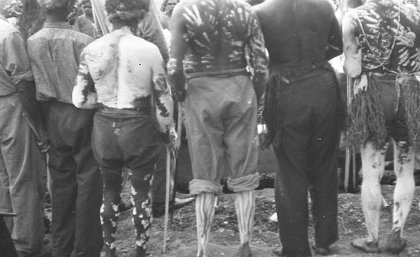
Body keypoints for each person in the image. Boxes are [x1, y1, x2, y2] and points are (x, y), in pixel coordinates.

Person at [72, 0, 175, 256]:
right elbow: (164, 101)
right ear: (140, 17)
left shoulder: (92, 49)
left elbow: (80, 99)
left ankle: (109, 249)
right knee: (141, 193)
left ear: (109, 17)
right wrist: (167, 132)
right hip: (139, 128)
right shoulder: (149, 50)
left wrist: (106, 104)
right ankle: (141, 250)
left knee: (110, 192)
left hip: (105, 129)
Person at [169, 0, 268, 256]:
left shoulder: (184, 9)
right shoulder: (245, 10)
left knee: (204, 169)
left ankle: (202, 247)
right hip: (239, 86)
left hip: (200, 89)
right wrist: (252, 95)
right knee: (244, 168)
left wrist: (180, 95)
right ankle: (245, 243)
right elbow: (261, 64)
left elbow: (174, 66)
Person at [254, 0, 343, 256]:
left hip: (286, 90)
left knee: (291, 172)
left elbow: (257, 58)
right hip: (324, 86)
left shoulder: (261, 12)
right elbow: (336, 46)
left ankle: (295, 248)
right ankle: (325, 240)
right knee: (325, 166)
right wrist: (310, 63)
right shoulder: (324, 5)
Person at [342, 0, 420, 253]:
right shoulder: (416, 13)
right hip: (407, 93)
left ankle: (372, 239)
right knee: (405, 171)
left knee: (371, 171)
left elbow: (352, 69)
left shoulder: (355, 16)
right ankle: (396, 235)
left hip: (373, 95)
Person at [27, 0, 103, 256]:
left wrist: (40, 126)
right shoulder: (84, 40)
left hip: (51, 114)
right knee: (88, 181)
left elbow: (29, 86)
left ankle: (62, 246)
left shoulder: (32, 41)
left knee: (60, 182)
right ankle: (86, 249)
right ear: (70, 10)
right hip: (81, 112)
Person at [0, 7, 48, 257]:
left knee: (5, 178)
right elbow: (23, 82)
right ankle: (27, 245)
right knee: (24, 176)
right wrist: (39, 124)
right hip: (10, 104)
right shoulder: (7, 33)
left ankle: (8, 240)